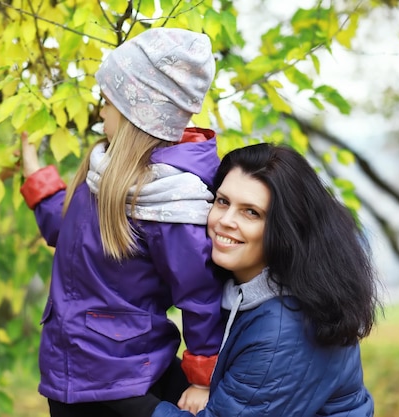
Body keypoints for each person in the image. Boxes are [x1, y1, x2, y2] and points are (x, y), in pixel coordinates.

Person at [20, 28, 224, 417]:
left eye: (108, 103)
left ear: (135, 113)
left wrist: (202, 375)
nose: (100, 113)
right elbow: (69, 236)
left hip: (123, 375)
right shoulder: (103, 173)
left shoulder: (171, 201)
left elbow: (199, 293)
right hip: (68, 371)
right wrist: (38, 180)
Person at [151, 142, 380, 417]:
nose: (225, 220)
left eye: (251, 212)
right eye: (223, 202)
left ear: (286, 228)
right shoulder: (237, 287)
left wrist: (133, 407)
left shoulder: (286, 329)